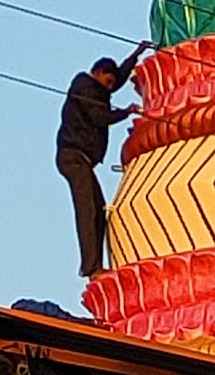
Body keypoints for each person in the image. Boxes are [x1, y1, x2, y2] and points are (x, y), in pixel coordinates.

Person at [56, 43, 148, 278]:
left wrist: (136, 55)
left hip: (83, 160)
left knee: (98, 208)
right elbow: (100, 117)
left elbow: (116, 80)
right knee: (87, 210)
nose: (110, 89)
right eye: (106, 83)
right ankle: (91, 267)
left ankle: (94, 264)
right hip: (73, 156)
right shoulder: (85, 88)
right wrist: (126, 112)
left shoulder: (97, 88)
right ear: (97, 74)